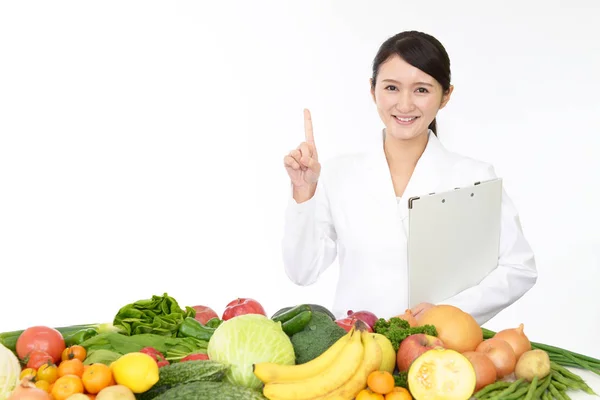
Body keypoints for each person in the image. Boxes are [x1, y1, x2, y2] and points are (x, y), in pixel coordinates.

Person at [281, 30, 538, 325]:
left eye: (422, 90)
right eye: (391, 88)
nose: (404, 105)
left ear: (446, 96)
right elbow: (302, 272)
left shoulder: (474, 177)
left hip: (440, 355)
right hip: (354, 350)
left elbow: (520, 267)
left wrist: (450, 312)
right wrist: (303, 191)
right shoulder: (338, 174)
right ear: (372, 89)